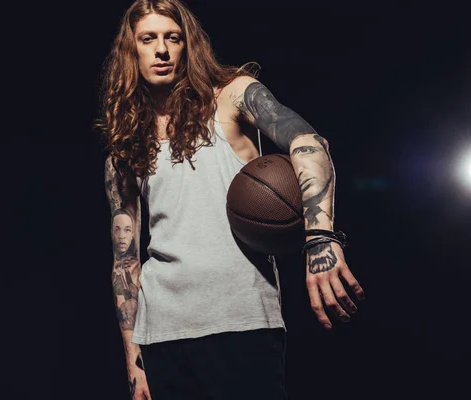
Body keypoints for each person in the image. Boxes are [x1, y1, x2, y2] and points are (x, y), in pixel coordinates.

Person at [95, 1, 365, 398]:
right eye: (148, 39)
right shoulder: (127, 145)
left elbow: (308, 143)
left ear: (189, 45)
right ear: (130, 50)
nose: (162, 50)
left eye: (173, 37)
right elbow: (125, 261)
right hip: (162, 333)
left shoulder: (232, 96)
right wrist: (133, 361)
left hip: (241, 319)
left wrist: (320, 237)